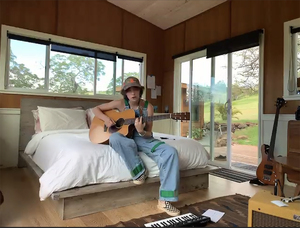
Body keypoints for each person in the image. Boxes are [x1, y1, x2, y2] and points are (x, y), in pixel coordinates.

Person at [92, 77, 181, 216]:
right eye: (129, 90)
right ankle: (139, 172)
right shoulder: (120, 104)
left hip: (142, 138)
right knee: (114, 137)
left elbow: (149, 133)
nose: (133, 93)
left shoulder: (148, 107)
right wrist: (107, 120)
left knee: (171, 152)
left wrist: (141, 131)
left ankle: (164, 201)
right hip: (125, 138)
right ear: (125, 93)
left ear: (140, 91)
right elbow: (95, 109)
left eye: (136, 89)